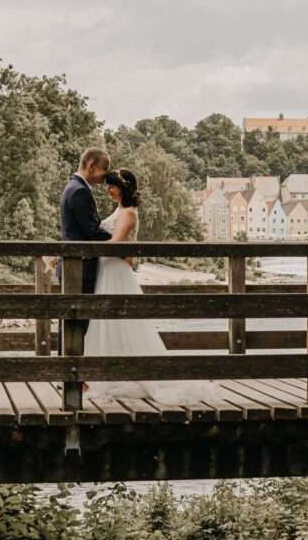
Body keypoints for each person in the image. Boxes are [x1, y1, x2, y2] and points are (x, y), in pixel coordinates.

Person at [84, 168, 221, 405]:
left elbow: (115, 245)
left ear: (122, 188)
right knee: (106, 323)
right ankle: (106, 370)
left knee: (122, 323)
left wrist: (84, 251)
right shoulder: (119, 210)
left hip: (116, 272)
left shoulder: (129, 214)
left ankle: (123, 373)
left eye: (112, 186)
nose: (108, 190)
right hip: (108, 270)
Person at [57, 147, 112, 354]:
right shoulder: (80, 191)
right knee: (78, 322)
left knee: (71, 321)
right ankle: (71, 368)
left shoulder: (72, 186)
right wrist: (116, 240)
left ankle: (67, 366)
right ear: (91, 166)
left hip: (75, 265)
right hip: (80, 267)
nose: (105, 177)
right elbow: (91, 230)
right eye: (104, 170)